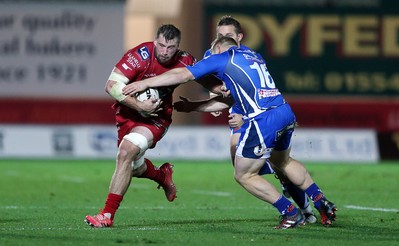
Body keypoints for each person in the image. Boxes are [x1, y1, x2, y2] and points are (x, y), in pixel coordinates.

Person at [122, 36, 337, 229]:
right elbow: (231, 98)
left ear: (218, 49)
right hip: (285, 111)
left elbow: (183, 74)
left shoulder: (223, 57)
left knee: (244, 174)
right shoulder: (254, 56)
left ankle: (289, 212)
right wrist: (194, 106)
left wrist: (145, 82)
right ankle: (321, 202)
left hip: (263, 119)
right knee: (284, 162)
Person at [202, 15, 317, 223]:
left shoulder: (248, 56)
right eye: (219, 35)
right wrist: (213, 96)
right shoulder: (211, 54)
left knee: (251, 166)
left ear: (239, 37)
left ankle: (304, 209)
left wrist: (243, 118)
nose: (222, 39)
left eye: (228, 35)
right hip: (239, 109)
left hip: (255, 114)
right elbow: (212, 82)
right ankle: (285, 183)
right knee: (238, 158)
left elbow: (258, 95)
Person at [85, 24, 197, 228]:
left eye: (170, 47)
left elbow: (210, 79)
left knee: (125, 153)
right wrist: (139, 105)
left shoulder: (185, 60)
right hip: (128, 114)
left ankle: (106, 215)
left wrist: (216, 96)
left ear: (178, 47)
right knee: (133, 167)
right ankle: (161, 175)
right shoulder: (140, 55)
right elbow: (111, 85)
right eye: (161, 45)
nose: (164, 51)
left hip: (156, 117)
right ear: (155, 41)